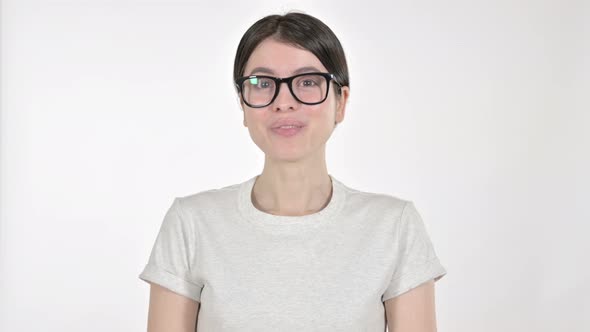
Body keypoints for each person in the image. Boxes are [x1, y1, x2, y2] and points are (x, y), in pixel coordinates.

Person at [139, 11, 447, 332]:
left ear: (340, 102)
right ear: (243, 105)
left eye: (308, 82)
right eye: (261, 83)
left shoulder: (394, 226)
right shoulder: (191, 223)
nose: (283, 102)